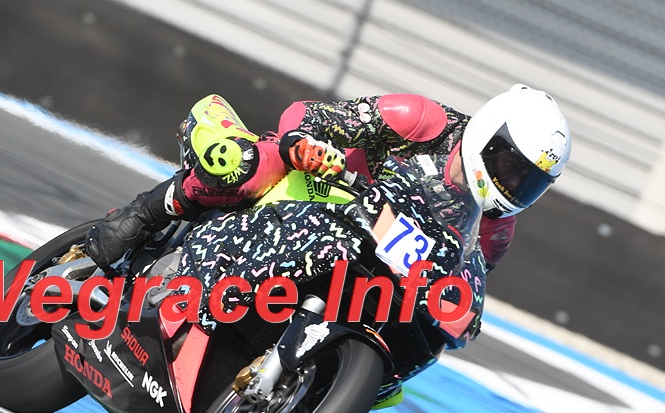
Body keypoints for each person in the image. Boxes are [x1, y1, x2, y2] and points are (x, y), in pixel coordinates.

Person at [85, 85, 572, 275]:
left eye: (528, 182)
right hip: (317, 188)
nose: (512, 183)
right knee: (241, 165)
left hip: (369, 259)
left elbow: (453, 284)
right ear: (489, 135)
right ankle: (145, 213)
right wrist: (307, 144)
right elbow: (310, 114)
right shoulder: (423, 120)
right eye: (511, 165)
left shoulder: (495, 230)